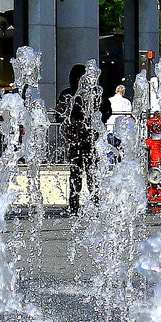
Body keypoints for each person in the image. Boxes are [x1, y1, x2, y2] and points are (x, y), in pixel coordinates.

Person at [57, 64, 97, 214]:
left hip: (84, 138)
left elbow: (105, 111)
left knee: (82, 172)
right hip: (80, 138)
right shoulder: (71, 94)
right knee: (82, 172)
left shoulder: (84, 94)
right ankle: (81, 204)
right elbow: (59, 114)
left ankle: (77, 205)